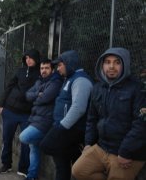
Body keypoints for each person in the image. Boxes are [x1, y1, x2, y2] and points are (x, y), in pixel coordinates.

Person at [72, 47, 146, 180]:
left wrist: (125, 151)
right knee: (78, 171)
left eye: (117, 62)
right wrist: (88, 143)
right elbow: (91, 119)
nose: (111, 66)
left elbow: (141, 125)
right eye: (107, 62)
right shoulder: (98, 88)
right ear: (102, 64)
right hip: (102, 147)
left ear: (125, 64)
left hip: (127, 152)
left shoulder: (137, 88)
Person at [39, 50, 93, 180]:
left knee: (46, 145)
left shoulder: (81, 80)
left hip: (71, 128)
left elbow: (78, 108)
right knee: (61, 164)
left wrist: (62, 126)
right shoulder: (69, 78)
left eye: (60, 65)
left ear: (69, 64)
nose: (58, 69)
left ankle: (77, 154)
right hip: (63, 126)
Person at [0, 49, 40, 176]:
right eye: (26, 58)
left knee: (26, 142)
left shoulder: (40, 74)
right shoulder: (20, 71)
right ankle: (6, 164)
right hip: (10, 110)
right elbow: (9, 87)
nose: (28, 60)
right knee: (7, 138)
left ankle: (23, 168)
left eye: (31, 57)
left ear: (36, 58)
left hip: (27, 114)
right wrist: (1, 104)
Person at [18, 59, 62, 180]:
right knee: (33, 148)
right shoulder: (39, 82)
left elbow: (45, 98)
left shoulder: (56, 82)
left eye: (46, 68)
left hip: (45, 121)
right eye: (42, 68)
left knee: (24, 137)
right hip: (35, 119)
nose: (43, 71)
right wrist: (38, 94)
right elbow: (27, 95)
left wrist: (37, 97)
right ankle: (32, 176)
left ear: (52, 70)